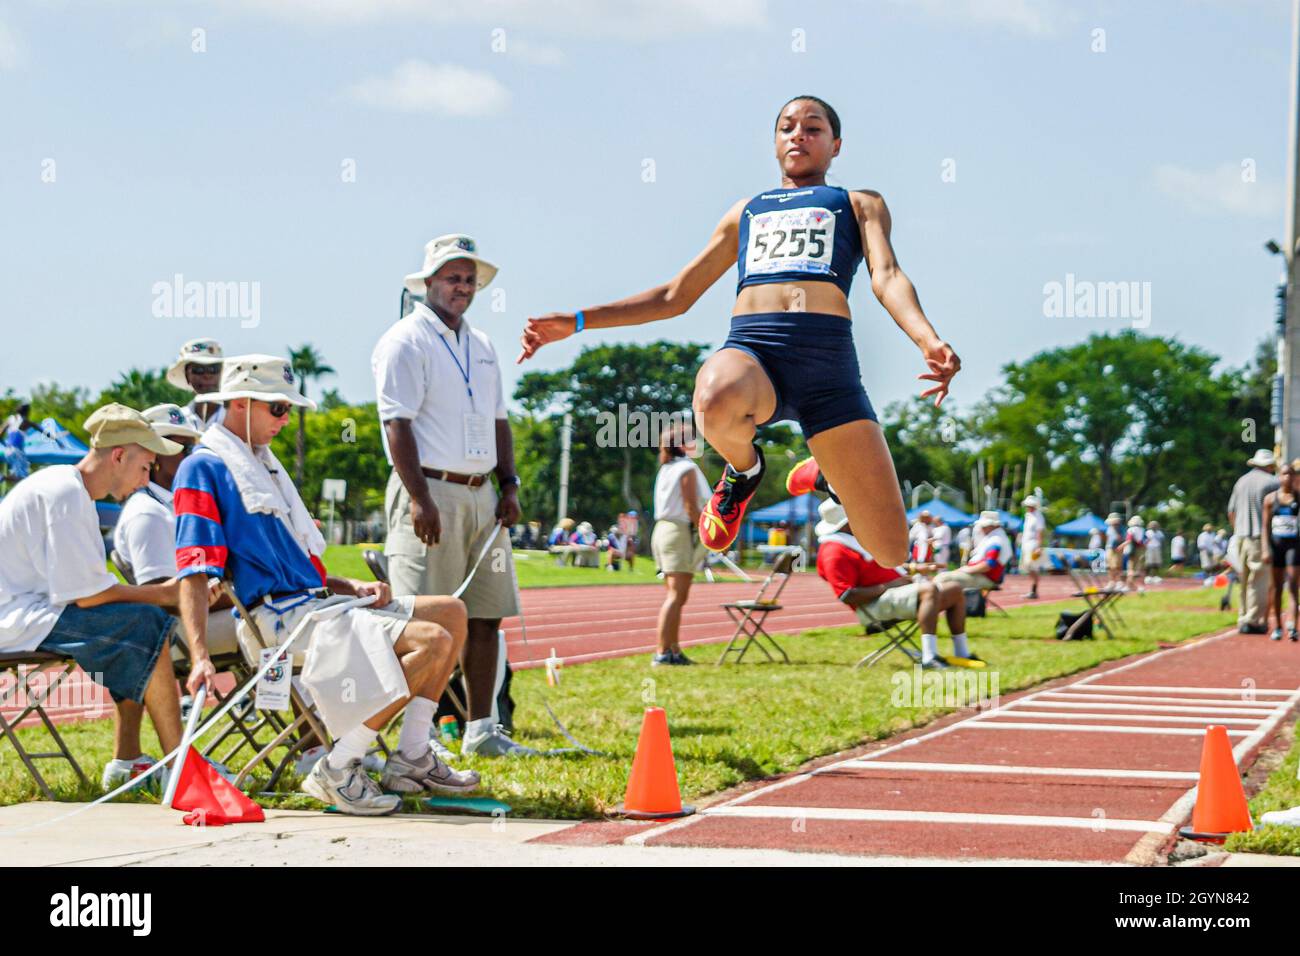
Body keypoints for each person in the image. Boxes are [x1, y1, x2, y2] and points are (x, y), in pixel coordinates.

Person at [518, 95, 960, 569]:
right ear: (774, 144)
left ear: (836, 146)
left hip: (827, 370)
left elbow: (887, 275)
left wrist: (927, 339)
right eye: (787, 127)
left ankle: (824, 473)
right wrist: (579, 321)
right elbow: (675, 296)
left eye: (813, 128)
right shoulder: (746, 212)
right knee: (712, 395)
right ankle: (743, 471)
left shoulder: (858, 203)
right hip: (754, 354)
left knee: (890, 550)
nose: (798, 135)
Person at [174, 355, 478, 814]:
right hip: (274, 621)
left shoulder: (263, 465)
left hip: (311, 606)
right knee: (432, 641)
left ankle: (411, 756)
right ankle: (338, 767)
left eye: (288, 409)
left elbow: (296, 565)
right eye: (277, 408)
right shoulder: (204, 467)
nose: (285, 418)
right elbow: (195, 571)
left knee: (451, 612)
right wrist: (199, 656)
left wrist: (348, 584)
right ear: (239, 402)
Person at [373, 234, 530, 758]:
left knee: (486, 616)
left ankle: (481, 730)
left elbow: (499, 421)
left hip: (482, 494)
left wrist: (508, 484)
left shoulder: (482, 345)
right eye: (451, 277)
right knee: (426, 619)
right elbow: (397, 424)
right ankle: (416, 739)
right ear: (428, 283)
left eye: (468, 279)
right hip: (431, 490)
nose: (461, 286)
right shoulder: (405, 339)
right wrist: (420, 499)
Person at [0, 404, 201, 791]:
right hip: (14, 617)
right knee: (145, 623)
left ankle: (141, 760)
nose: (146, 481)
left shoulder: (70, 490)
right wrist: (165, 593)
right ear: (120, 455)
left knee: (137, 625)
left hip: (27, 610)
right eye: (145, 467)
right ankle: (181, 764)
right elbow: (88, 598)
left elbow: (88, 592)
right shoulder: (66, 494)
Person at [816, 499, 977, 670]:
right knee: (928, 590)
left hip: (892, 595)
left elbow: (883, 566)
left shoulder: (853, 541)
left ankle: (962, 652)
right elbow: (847, 595)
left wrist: (914, 568)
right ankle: (929, 657)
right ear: (847, 522)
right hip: (873, 608)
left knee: (954, 589)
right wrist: (891, 585)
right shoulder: (834, 551)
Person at [650, 425, 711, 665]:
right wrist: (707, 533)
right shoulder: (687, 468)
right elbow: (690, 506)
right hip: (677, 532)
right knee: (677, 596)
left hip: (663, 530)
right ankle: (663, 652)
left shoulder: (666, 468)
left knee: (677, 595)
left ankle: (673, 650)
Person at [1227, 449, 1280, 634]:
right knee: (1259, 580)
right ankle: (1253, 619)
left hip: (1240, 535)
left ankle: (1243, 616)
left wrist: (1237, 530)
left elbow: (1231, 512)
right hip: (1261, 537)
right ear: (1270, 466)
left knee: (1244, 579)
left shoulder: (1240, 482)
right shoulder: (1273, 483)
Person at [1261, 461, 1300, 641]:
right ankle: (1277, 626)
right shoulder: (1270, 499)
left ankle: (1292, 626)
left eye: (1291, 474)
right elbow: (1264, 526)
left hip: (1293, 546)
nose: (1288, 477)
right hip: (1276, 546)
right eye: (1284, 474)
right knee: (1277, 588)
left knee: (1293, 585)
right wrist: (1265, 549)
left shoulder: (1298, 497)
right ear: (1279, 477)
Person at [935, 511, 1009, 592]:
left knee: (943, 578)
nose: (982, 528)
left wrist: (966, 570)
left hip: (985, 578)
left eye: (984, 526)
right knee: (943, 577)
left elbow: (988, 565)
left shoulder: (996, 540)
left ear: (993, 526)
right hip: (982, 576)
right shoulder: (996, 538)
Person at [165, 338, 226, 432]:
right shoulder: (177, 420)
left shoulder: (237, 417)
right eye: (198, 369)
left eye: (214, 369)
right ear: (187, 375)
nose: (207, 375)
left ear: (223, 373)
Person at [1019, 495, 1046, 599]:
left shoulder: (1038, 516)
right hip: (1025, 544)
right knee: (1026, 567)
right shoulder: (1028, 516)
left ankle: (1034, 588)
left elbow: (1040, 532)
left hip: (1033, 544)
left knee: (1031, 566)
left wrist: (1039, 546)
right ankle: (1033, 588)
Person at [3, 402, 35, 487]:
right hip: (17, 452)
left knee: (16, 477)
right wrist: (57, 440)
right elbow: (41, 429)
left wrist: (5, 445)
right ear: (27, 412)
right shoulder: (25, 421)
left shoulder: (10, 419)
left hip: (7, 451)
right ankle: (2, 477)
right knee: (23, 477)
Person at [1122, 516, 1146, 592]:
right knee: (1140, 569)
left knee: (1130, 568)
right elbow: (1146, 540)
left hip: (1132, 550)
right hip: (1141, 550)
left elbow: (1129, 540)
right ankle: (1141, 586)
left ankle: (1129, 585)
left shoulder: (1130, 530)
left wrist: (1121, 546)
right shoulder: (1143, 530)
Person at [1104, 513, 1124, 587]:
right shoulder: (1109, 528)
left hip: (1117, 548)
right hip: (1109, 548)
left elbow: (1121, 538)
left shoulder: (1121, 528)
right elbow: (1108, 538)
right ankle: (1111, 581)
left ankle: (1119, 581)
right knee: (1109, 566)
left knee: (1117, 565)